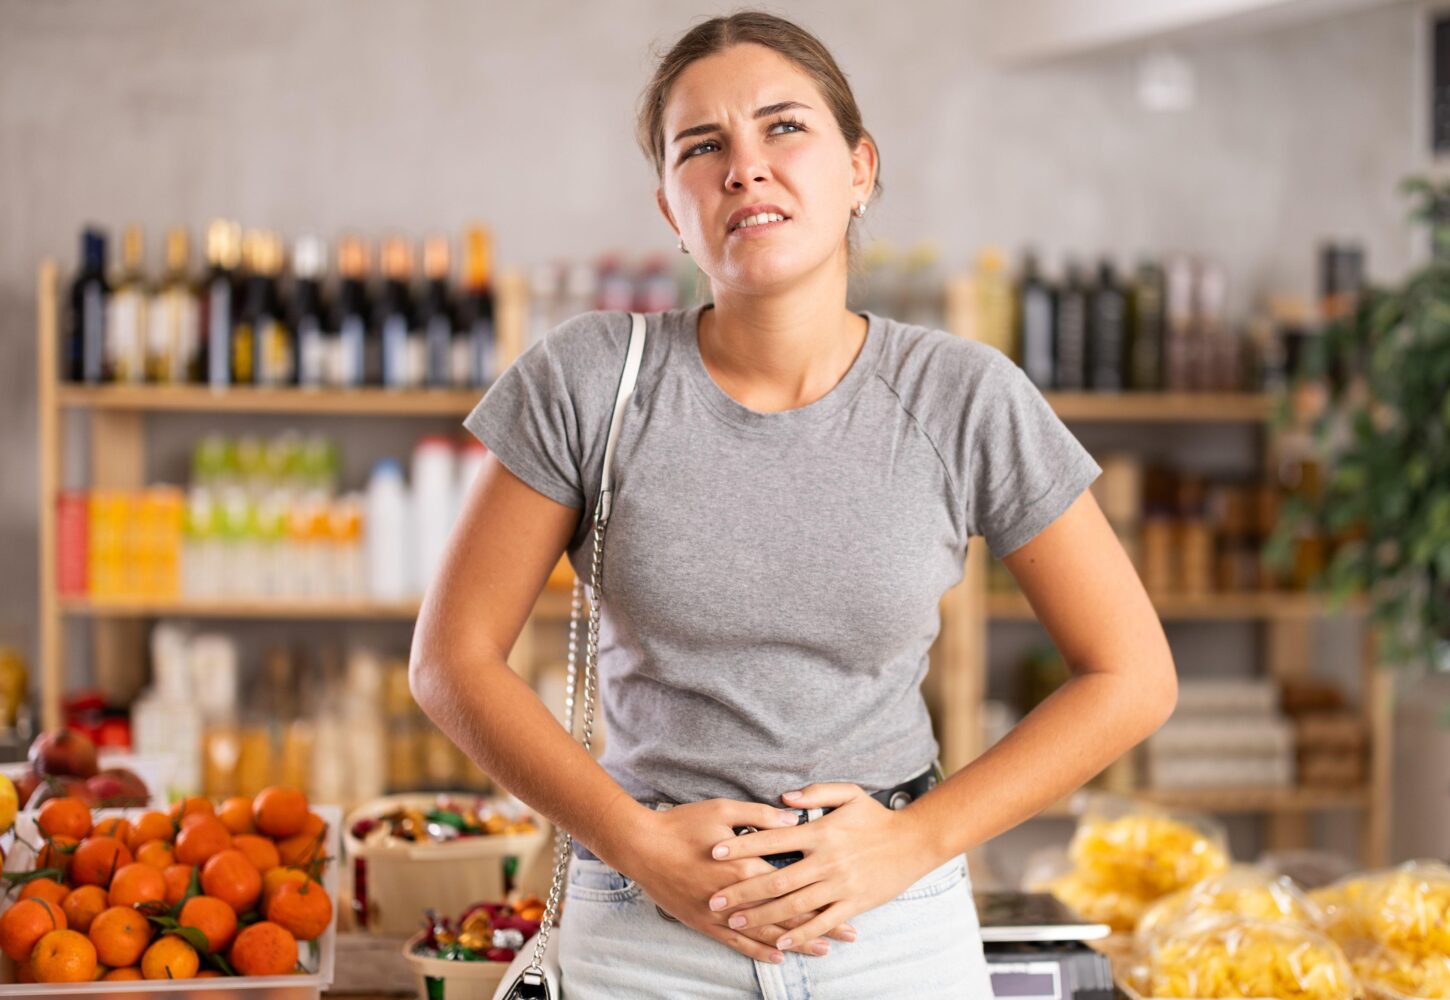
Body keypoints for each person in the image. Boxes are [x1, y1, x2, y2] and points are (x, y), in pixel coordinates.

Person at [410, 10, 1177, 998]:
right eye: (703, 147)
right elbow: (450, 661)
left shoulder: (964, 394)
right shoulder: (588, 377)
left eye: (783, 127)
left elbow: (1131, 675)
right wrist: (636, 843)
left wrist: (912, 843)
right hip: (646, 929)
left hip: (891, 927)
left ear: (859, 169)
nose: (743, 168)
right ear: (670, 208)